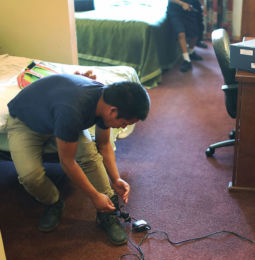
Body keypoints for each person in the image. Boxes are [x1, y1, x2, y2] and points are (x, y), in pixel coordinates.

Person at [6, 73, 151, 245]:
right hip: (27, 123)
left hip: (59, 119)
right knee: (30, 177)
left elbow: (103, 145)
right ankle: (54, 202)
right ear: (113, 111)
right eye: (125, 123)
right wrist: (94, 196)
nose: (123, 127)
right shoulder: (73, 110)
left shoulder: (106, 101)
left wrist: (116, 178)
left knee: (89, 154)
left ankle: (108, 214)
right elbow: (67, 163)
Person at [167, 0, 204, 72]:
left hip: (190, 7)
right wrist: (182, 3)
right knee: (181, 34)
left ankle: (191, 52)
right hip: (175, 9)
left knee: (195, 34)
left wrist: (203, 5)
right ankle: (187, 60)